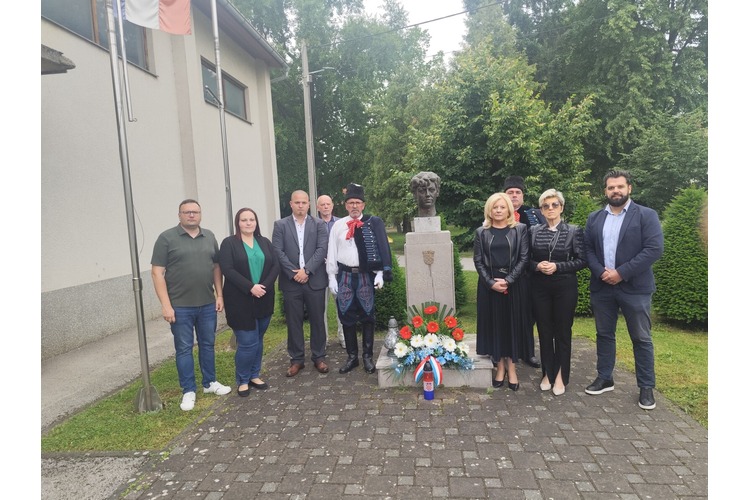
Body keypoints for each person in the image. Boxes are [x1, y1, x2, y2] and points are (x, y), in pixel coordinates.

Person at [583, 170, 664, 410]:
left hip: (635, 288)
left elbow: (653, 249)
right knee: (604, 334)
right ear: (605, 191)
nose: (615, 191)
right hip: (603, 287)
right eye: (611, 187)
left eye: (620, 186)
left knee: (641, 337)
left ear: (629, 188)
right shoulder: (595, 218)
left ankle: (646, 387)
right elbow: (587, 250)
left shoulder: (646, 215)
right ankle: (605, 377)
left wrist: (621, 273)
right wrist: (601, 272)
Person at [151, 199, 232, 411]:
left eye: (195, 212)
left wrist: (219, 295)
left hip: (207, 304)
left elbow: (216, 267)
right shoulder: (167, 238)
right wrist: (166, 305)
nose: (191, 215)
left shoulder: (209, 236)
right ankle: (188, 390)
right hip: (180, 306)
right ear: (179, 215)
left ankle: (209, 382)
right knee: (184, 348)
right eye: (187, 212)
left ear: (200, 214)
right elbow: (157, 273)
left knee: (208, 344)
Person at [327, 183, 393, 374]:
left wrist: (380, 273)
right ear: (345, 205)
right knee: (346, 315)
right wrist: (331, 277)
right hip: (345, 276)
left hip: (365, 275)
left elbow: (382, 247)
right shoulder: (338, 226)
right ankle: (352, 357)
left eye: (357, 202)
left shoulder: (373, 223)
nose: (354, 206)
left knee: (367, 316)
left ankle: (367, 357)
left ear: (363, 205)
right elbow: (332, 251)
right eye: (351, 203)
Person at [528, 189, 587, 396]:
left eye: (554, 205)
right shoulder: (534, 231)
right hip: (540, 287)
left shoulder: (573, 231)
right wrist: (537, 266)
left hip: (565, 287)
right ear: (541, 210)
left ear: (561, 207)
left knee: (562, 331)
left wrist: (558, 267)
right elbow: (526, 260)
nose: (550, 209)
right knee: (544, 331)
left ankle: (561, 375)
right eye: (546, 206)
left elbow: (583, 260)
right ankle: (547, 373)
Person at [219, 208, 279, 397]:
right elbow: (227, 269)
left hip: (263, 298)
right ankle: (243, 380)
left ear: (256, 222)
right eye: (244, 220)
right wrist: (250, 287)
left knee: (258, 339)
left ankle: (254, 375)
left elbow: (275, 265)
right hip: (239, 300)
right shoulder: (229, 243)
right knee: (247, 342)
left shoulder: (264, 242)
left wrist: (264, 286)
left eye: (251, 219)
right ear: (238, 223)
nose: (248, 223)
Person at [473, 192, 530, 391]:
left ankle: (512, 368)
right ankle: (499, 367)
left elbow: (524, 258)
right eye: (494, 207)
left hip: (513, 286)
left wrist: (508, 280)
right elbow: (478, 261)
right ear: (489, 210)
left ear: (509, 209)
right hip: (489, 287)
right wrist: (491, 283)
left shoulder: (520, 229)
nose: (498, 210)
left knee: (511, 327)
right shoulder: (481, 232)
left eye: (502, 207)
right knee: (495, 326)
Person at [272, 190, 330, 377]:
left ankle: (319, 357)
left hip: (315, 280)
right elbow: (277, 251)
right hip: (291, 282)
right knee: (293, 322)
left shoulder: (319, 224)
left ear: (309, 204)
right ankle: (296, 360)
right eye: (297, 202)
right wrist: (294, 273)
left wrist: (307, 270)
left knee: (317, 321)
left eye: (304, 202)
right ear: (291, 204)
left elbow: (322, 249)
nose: (300, 205)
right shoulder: (280, 225)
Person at [503, 175, 545, 368]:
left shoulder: (534, 214)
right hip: (505, 273)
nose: (514, 195)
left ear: (523, 195)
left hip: (530, 274)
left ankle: (528, 352)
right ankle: (504, 351)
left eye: (518, 192)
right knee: (505, 314)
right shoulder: (498, 212)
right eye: (510, 192)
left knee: (528, 315)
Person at [317, 194, 345, 349]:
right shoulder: (313, 224)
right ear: (318, 207)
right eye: (322, 204)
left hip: (338, 271)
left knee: (342, 305)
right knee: (321, 308)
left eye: (328, 204)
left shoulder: (341, 223)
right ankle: (324, 339)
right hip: (319, 271)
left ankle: (343, 337)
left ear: (332, 206)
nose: (325, 207)